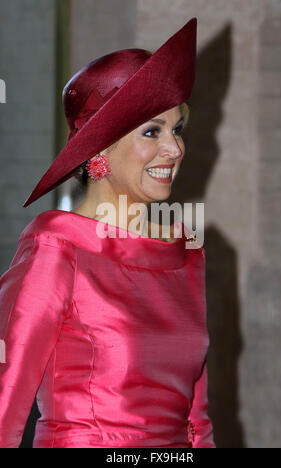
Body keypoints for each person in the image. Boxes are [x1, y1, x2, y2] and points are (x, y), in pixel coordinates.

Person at [0, 18, 215, 448]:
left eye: (176, 129)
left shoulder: (185, 251)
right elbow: (6, 400)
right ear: (99, 149)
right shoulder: (55, 245)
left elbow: (198, 423)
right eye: (152, 131)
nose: (174, 149)